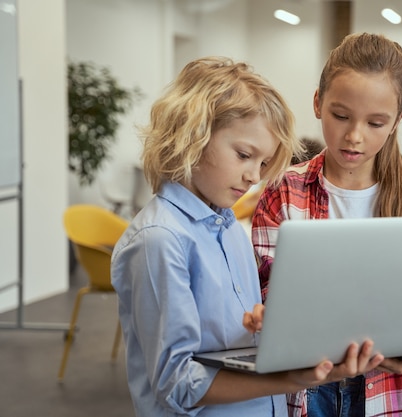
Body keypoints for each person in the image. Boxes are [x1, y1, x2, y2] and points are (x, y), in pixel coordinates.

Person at [111, 57, 385, 417]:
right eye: (243, 155)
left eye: (263, 163)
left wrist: (272, 326)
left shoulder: (230, 230)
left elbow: (235, 341)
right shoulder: (159, 240)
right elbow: (176, 384)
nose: (252, 177)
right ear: (192, 134)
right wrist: (292, 380)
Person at [250, 33, 402, 417]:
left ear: (397, 121)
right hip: (305, 388)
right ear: (318, 102)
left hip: (384, 389)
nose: (354, 136)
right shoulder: (282, 192)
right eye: (341, 116)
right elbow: (265, 288)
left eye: (376, 123)